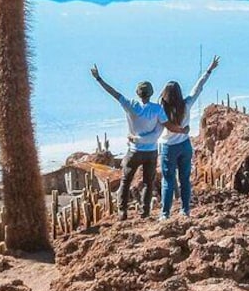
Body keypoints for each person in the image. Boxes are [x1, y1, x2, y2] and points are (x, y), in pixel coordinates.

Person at [90, 65, 187, 220]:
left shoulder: (131, 105)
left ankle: (122, 212)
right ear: (151, 93)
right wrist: (182, 131)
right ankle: (145, 212)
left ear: (137, 93)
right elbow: (168, 126)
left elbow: (113, 93)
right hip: (151, 152)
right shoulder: (157, 109)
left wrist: (98, 78)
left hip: (134, 151)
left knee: (125, 181)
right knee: (148, 183)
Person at [158, 55, 220, 219]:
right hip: (185, 146)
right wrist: (208, 70)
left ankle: (165, 214)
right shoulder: (186, 104)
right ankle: (185, 210)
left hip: (168, 147)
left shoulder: (160, 109)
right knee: (185, 179)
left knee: (168, 181)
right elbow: (197, 88)